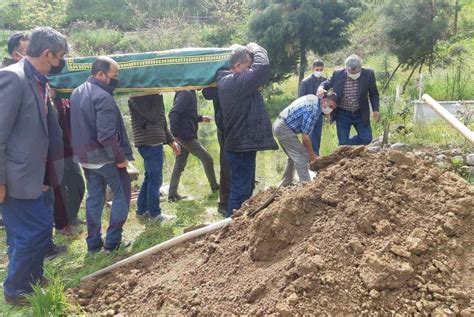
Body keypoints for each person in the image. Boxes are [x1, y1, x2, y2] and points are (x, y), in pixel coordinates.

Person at [0, 26, 68, 305]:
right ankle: (15, 289)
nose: (60, 63)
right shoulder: (12, 78)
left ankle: (33, 277)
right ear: (47, 54)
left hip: (35, 173)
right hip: (16, 177)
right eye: (59, 57)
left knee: (28, 232)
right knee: (36, 230)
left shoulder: (40, 80)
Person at [70, 56, 133, 254]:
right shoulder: (103, 97)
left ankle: (93, 245)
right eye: (114, 76)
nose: (116, 79)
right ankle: (112, 242)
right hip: (106, 159)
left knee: (94, 199)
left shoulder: (77, 92)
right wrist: (121, 158)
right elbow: (106, 135)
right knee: (122, 196)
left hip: (86, 159)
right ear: (100, 74)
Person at [217, 43, 278, 217]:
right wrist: (256, 48)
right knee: (240, 191)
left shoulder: (231, 81)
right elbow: (262, 68)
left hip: (243, 145)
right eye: (248, 66)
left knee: (245, 188)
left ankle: (238, 227)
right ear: (237, 66)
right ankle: (231, 229)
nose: (250, 70)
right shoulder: (232, 82)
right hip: (240, 147)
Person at [128, 94, 181, 221]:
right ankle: (155, 214)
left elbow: (161, 121)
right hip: (149, 143)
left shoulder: (154, 97)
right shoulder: (137, 97)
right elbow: (153, 117)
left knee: (150, 177)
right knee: (156, 179)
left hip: (154, 142)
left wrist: (171, 140)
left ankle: (142, 210)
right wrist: (158, 97)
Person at [273, 93, 338, 186]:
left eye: (332, 108)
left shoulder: (314, 99)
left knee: (294, 156)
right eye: (330, 106)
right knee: (302, 156)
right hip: (284, 128)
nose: (330, 110)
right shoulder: (314, 109)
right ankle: (306, 186)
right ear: (324, 100)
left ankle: (286, 182)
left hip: (279, 124)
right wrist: (312, 157)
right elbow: (305, 137)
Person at [0, 32, 30, 229]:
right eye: (28, 52)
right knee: (23, 231)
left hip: (28, 165)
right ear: (16, 54)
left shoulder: (30, 76)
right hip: (14, 169)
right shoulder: (10, 78)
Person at [317, 54, 381, 145]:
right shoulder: (338, 74)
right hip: (343, 113)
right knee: (343, 142)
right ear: (346, 68)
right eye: (350, 72)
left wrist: (376, 109)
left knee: (366, 139)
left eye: (355, 73)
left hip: (360, 112)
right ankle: (344, 145)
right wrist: (320, 88)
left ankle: (346, 145)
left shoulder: (368, 74)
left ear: (360, 68)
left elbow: (374, 93)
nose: (353, 75)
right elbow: (326, 84)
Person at [168, 90, 219, 201]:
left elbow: (187, 115)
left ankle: (172, 195)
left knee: (179, 164)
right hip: (184, 136)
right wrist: (175, 135)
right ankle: (215, 187)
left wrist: (201, 118)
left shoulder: (188, 92)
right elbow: (174, 113)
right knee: (207, 158)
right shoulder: (186, 93)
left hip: (184, 134)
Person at [51, 92, 86, 234]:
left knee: (78, 186)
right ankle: (61, 225)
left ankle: (72, 216)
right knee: (59, 192)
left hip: (70, 150)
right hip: (56, 152)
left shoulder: (65, 98)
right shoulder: (47, 99)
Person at [202, 87, 230, 215]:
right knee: (226, 164)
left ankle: (234, 199)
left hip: (238, 125)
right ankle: (224, 203)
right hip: (225, 126)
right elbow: (206, 93)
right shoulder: (220, 73)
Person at [299, 60, 327, 156]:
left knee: (317, 137)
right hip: (307, 114)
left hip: (319, 114)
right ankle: (307, 158)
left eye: (321, 69)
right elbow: (301, 99)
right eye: (317, 69)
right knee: (308, 137)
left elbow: (325, 99)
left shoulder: (325, 81)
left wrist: (326, 111)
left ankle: (316, 157)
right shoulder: (305, 82)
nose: (319, 71)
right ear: (313, 69)